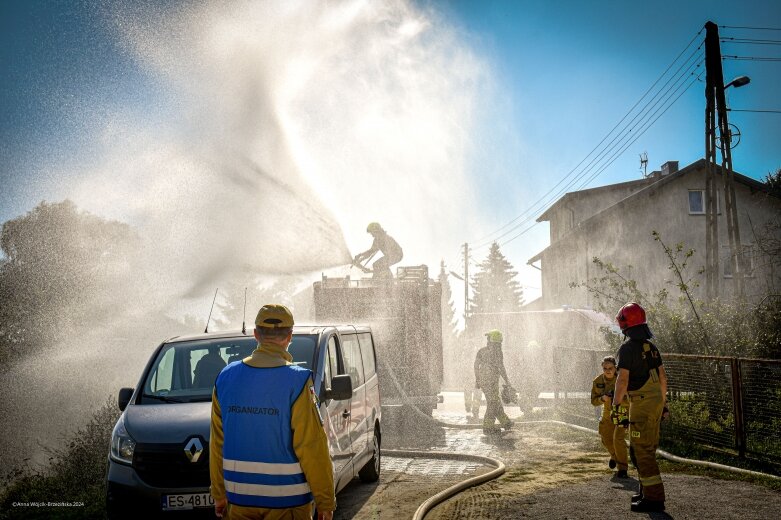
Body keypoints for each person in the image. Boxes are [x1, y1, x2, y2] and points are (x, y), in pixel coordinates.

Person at [209, 304, 336, 520]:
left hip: (239, 500)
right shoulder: (298, 381)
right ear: (289, 337)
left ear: (256, 334)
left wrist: (219, 494)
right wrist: (325, 501)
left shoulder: (225, 378)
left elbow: (217, 443)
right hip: (288, 503)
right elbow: (311, 445)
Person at [611, 302, 669, 513]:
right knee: (648, 447)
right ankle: (645, 492)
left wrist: (616, 406)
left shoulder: (626, 349)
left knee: (641, 451)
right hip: (655, 403)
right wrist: (663, 404)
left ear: (625, 323)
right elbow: (662, 377)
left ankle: (654, 498)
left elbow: (623, 380)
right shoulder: (651, 348)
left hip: (642, 404)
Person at [591, 355, 628, 478]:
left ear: (615, 368)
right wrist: (602, 398)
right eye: (605, 368)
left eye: (610, 368)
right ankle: (614, 456)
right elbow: (593, 401)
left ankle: (622, 468)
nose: (608, 370)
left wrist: (620, 399)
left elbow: (631, 397)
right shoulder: (597, 381)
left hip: (621, 413)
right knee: (605, 439)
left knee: (618, 440)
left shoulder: (622, 379)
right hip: (607, 414)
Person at [474, 329, 513, 434]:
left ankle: (505, 423)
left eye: (488, 338)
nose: (487, 340)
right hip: (490, 383)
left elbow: (476, 366)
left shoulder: (482, 351)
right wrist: (507, 381)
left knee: (495, 402)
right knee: (493, 403)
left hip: (485, 382)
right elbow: (501, 368)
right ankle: (488, 427)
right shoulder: (498, 353)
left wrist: (477, 379)